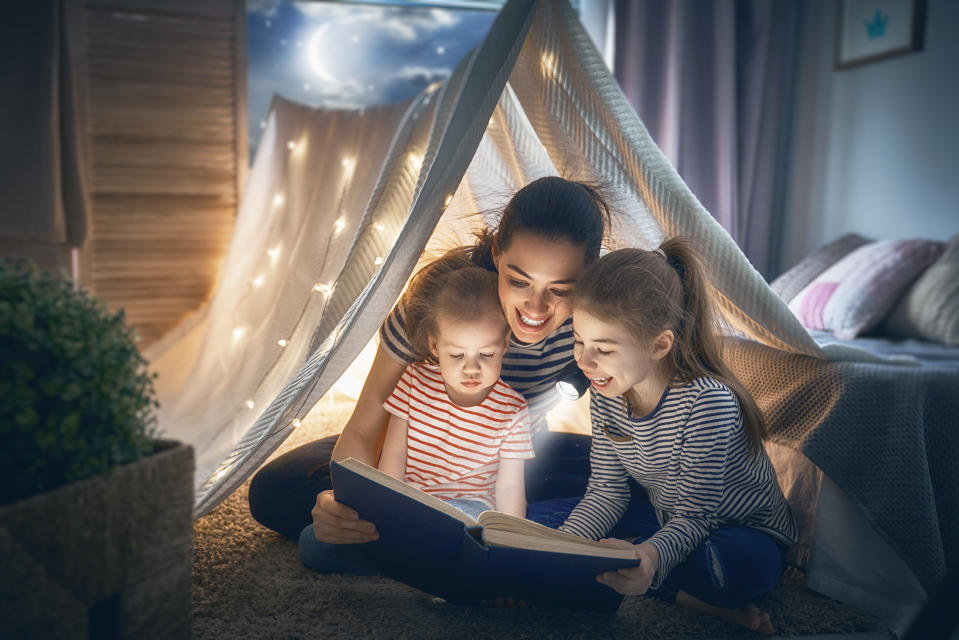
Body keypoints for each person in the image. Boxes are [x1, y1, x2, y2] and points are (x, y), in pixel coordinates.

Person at [248, 176, 611, 542]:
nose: (536, 308)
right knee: (275, 490)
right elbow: (364, 425)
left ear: (589, 276)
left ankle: (480, 537)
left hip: (514, 464)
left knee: (630, 493)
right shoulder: (443, 300)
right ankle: (481, 537)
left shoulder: (597, 318)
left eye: (560, 289)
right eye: (519, 281)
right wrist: (342, 503)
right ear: (498, 253)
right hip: (420, 457)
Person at [544, 239, 797, 634]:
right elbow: (607, 492)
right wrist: (558, 550)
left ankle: (659, 577)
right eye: (579, 340)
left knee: (727, 570)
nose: (584, 361)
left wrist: (647, 555)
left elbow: (696, 517)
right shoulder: (606, 390)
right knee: (540, 526)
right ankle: (650, 573)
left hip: (738, 530)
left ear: (659, 344)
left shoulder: (706, 403)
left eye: (604, 349)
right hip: (662, 515)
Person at [298, 255, 533, 573]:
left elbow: (509, 489)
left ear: (506, 342)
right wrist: (384, 509)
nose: (471, 368)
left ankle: (430, 564)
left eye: (486, 354)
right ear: (434, 346)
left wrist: (512, 545)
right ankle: (428, 564)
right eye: (457, 354)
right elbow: (393, 457)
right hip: (413, 504)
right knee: (316, 545)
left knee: (468, 531)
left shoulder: (513, 409)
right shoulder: (413, 381)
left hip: (470, 512)